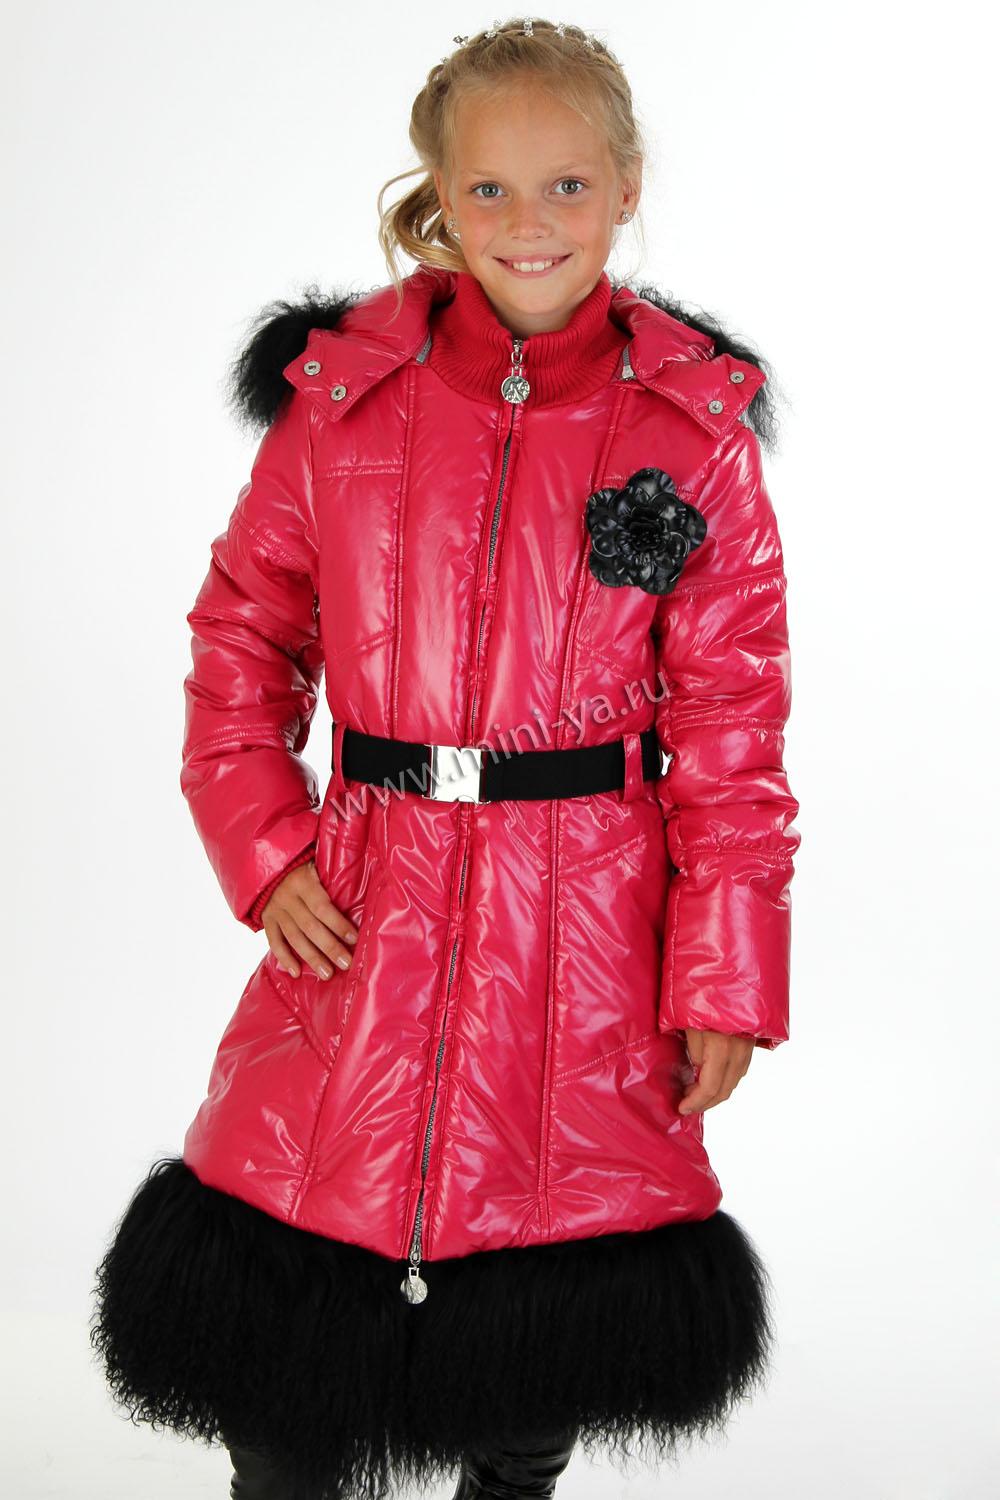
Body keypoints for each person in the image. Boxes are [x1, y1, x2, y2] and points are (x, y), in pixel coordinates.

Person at [89, 17, 801, 1500]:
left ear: (626, 187)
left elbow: (733, 728)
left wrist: (724, 973)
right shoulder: (347, 398)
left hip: (586, 935)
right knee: (289, 1332)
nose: (529, 223)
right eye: (489, 189)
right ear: (440, 194)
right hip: (365, 902)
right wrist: (266, 847)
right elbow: (243, 636)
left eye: (567, 185)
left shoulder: (693, 429)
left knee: (537, 1336)